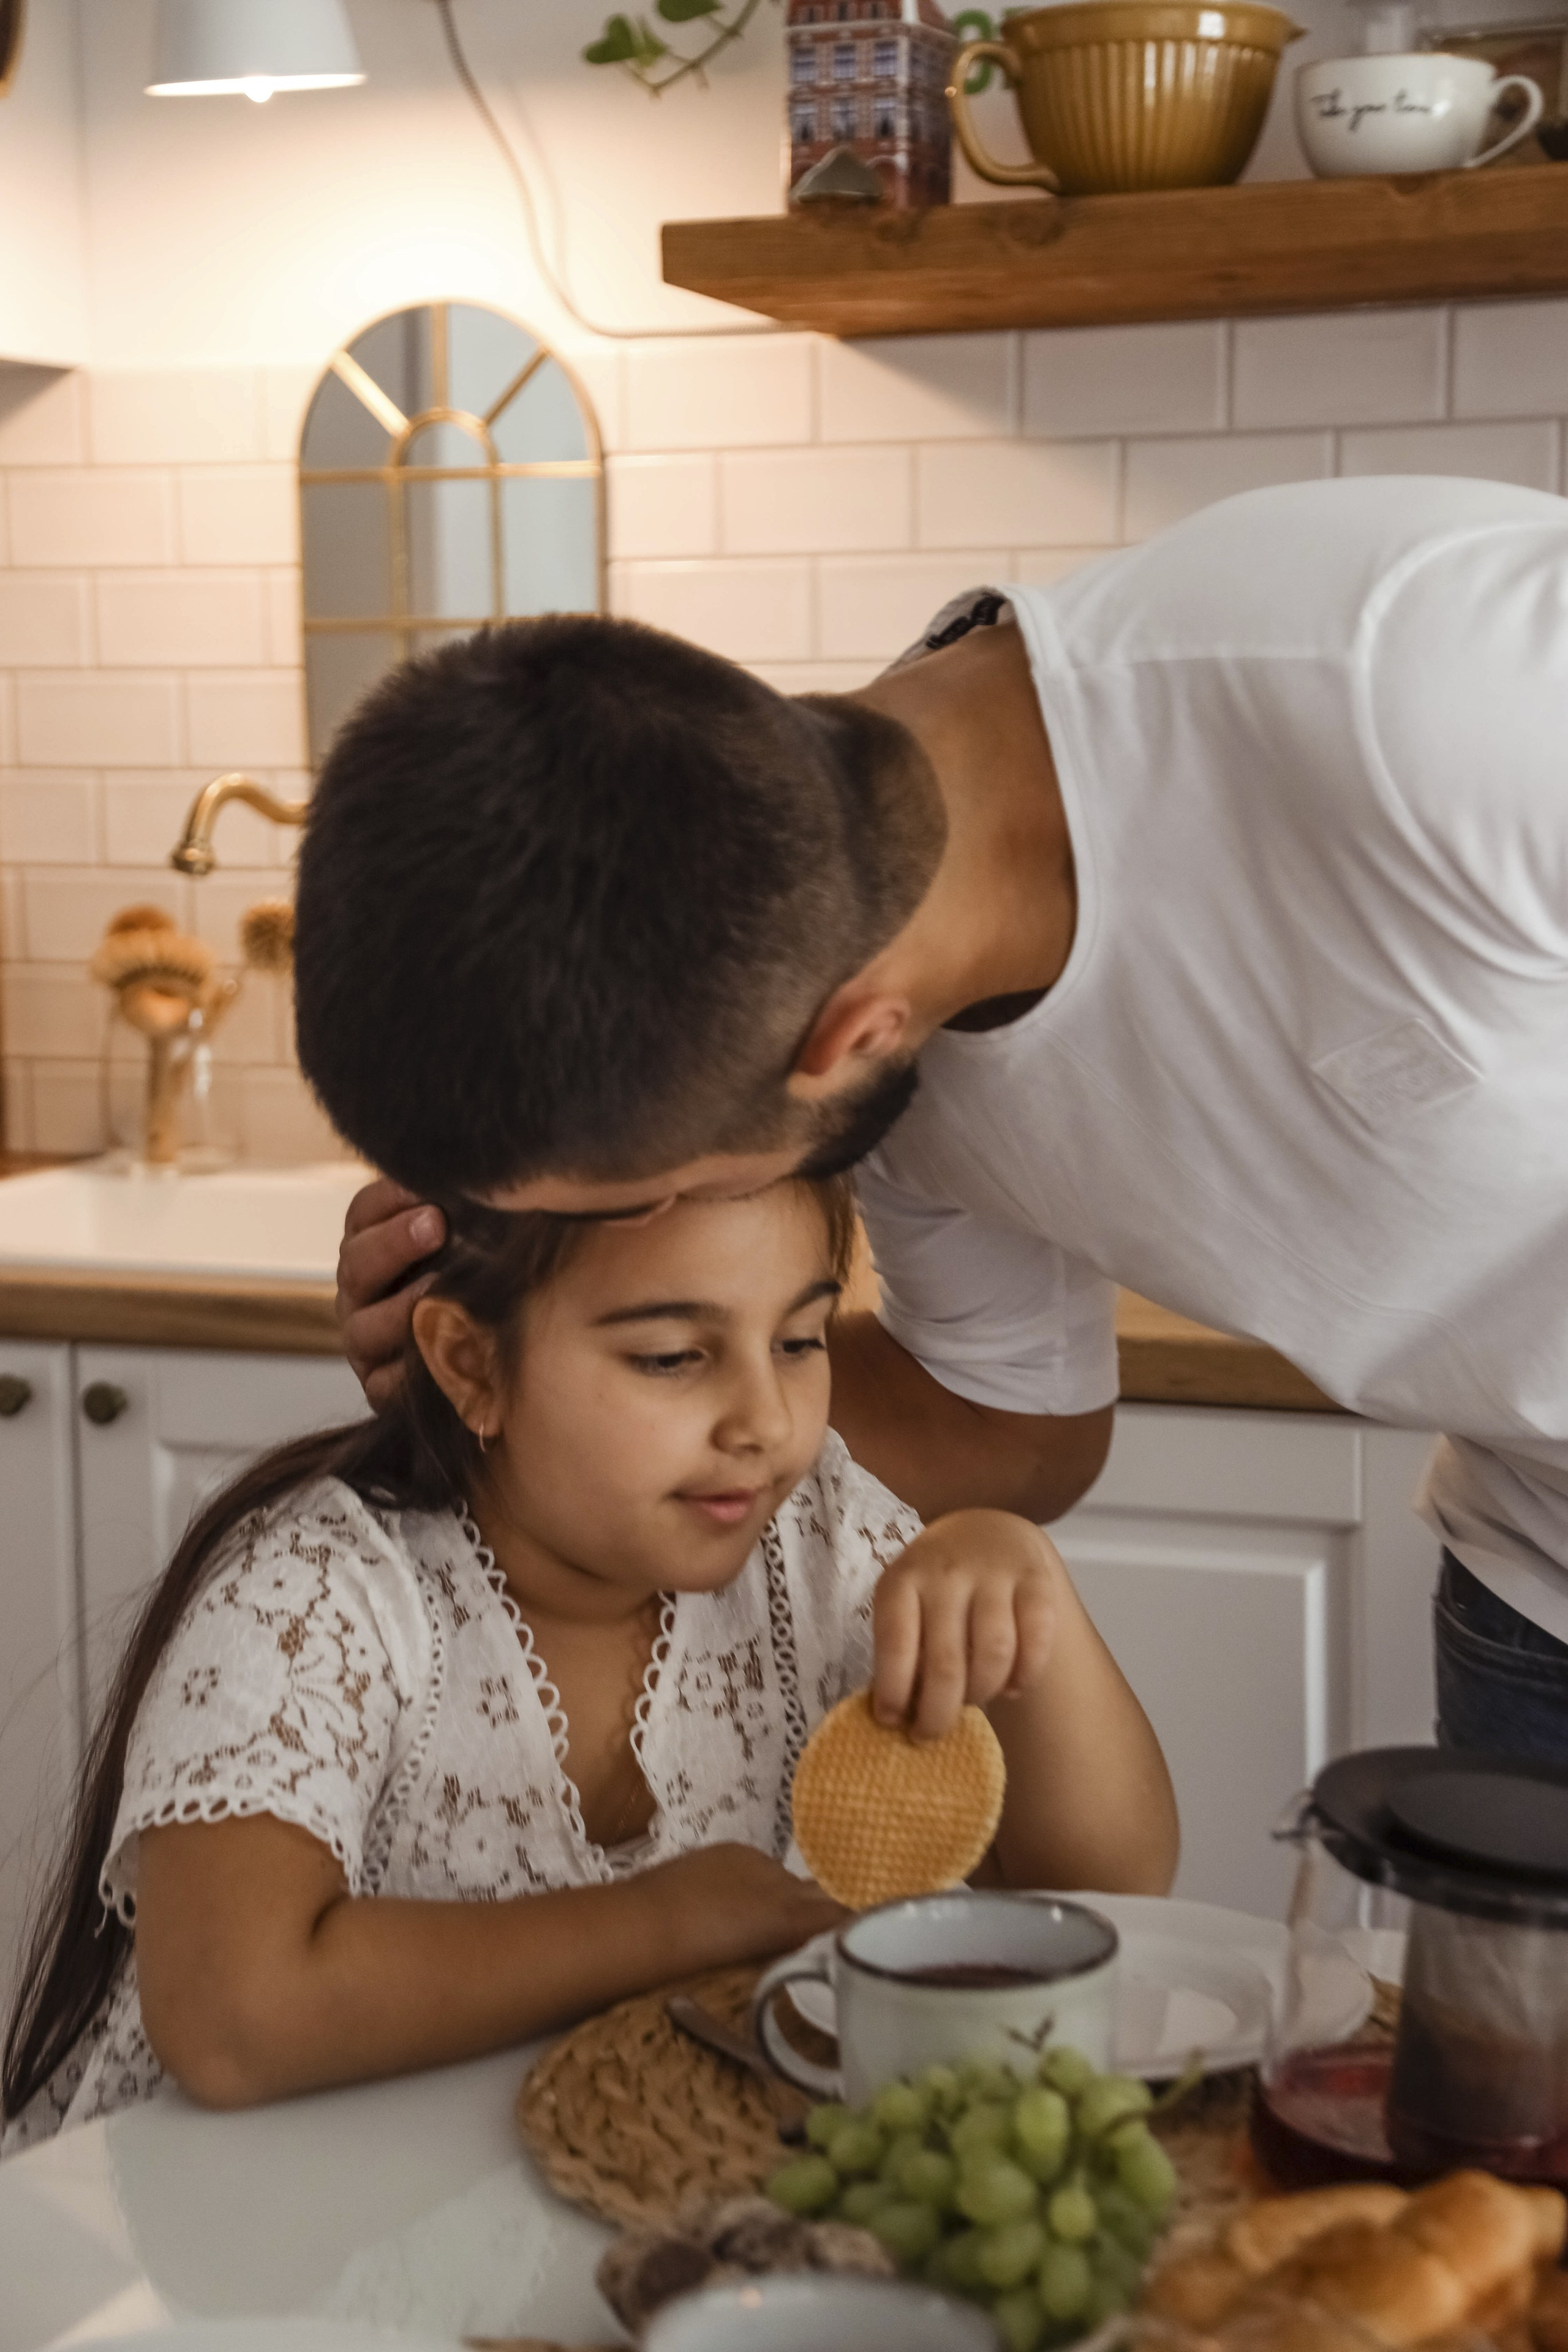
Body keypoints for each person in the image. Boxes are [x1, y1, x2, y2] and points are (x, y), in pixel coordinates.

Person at [314, 475, 1568, 1765]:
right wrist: (541, 1390)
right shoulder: (870, 993)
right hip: (1535, 1592)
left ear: (842, 1042)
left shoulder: (1416, 682)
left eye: (636, 1196)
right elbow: (1012, 1429)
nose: (648, 1231)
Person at [1, 1173, 1176, 2155]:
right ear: (471, 1365)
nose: (766, 1419)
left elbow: (1112, 1873)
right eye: (673, 1357)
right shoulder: (321, 1598)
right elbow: (234, 2016)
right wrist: (664, 1921)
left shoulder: (815, 1543)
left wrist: (1025, 1586)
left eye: (802, 1338)